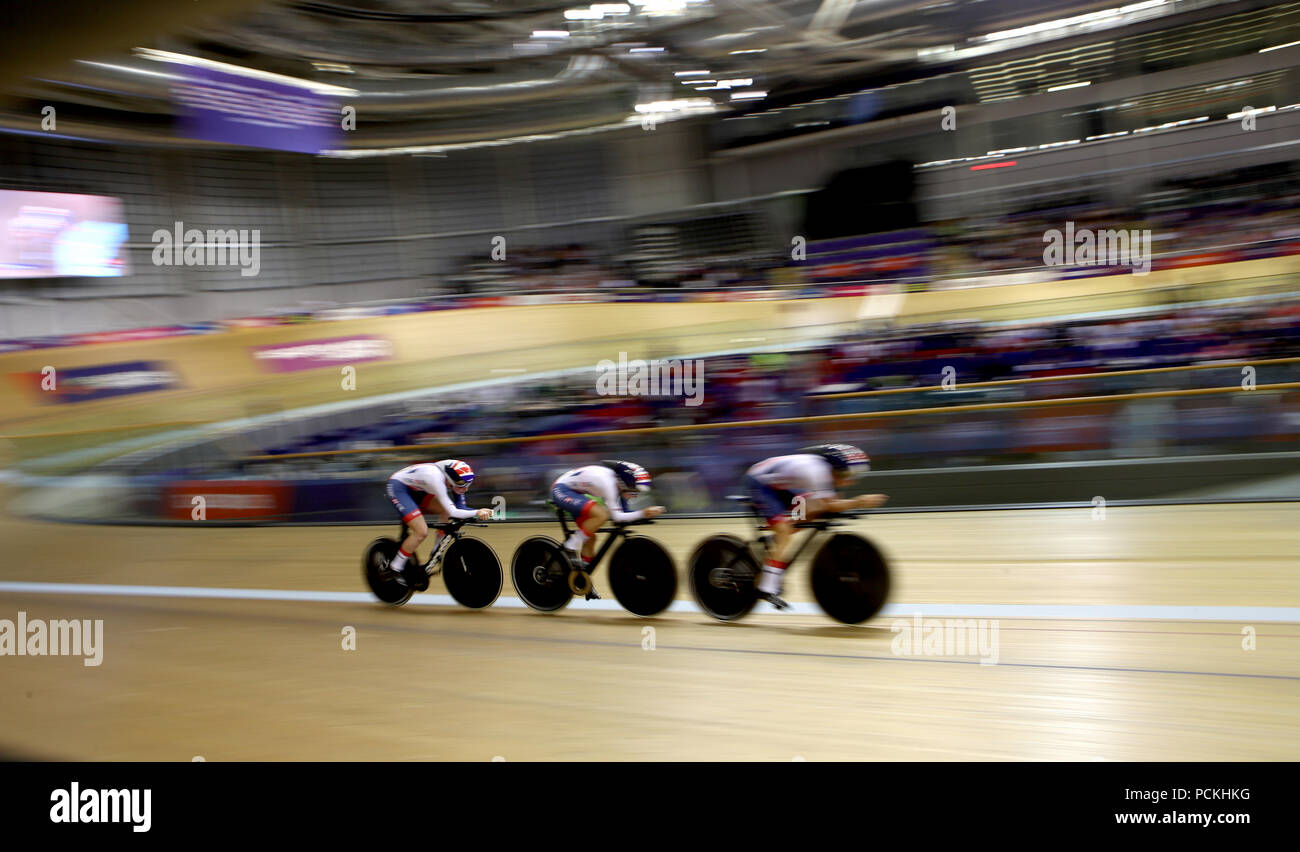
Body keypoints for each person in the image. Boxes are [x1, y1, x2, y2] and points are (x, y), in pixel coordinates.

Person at [743, 444, 888, 609]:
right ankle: (765, 587)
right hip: (760, 483)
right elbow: (830, 504)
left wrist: (842, 506)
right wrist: (859, 502)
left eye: (856, 474)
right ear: (834, 469)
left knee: (811, 513)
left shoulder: (828, 472)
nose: (851, 480)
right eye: (849, 474)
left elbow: (825, 505)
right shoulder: (816, 473)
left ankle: (776, 540)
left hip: (779, 483)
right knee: (785, 534)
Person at [550, 459, 665, 599]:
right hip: (561, 489)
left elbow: (625, 515)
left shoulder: (621, 484)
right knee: (602, 514)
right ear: (624, 483)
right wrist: (644, 513)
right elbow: (617, 517)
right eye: (634, 491)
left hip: (577, 492)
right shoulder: (609, 484)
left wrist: (644, 516)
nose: (635, 495)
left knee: (590, 537)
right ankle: (571, 545)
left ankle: (583, 579)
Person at [385, 459, 494, 587]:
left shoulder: (455, 476)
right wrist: (477, 512)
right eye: (461, 485)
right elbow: (454, 512)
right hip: (400, 488)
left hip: (421, 489)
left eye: (468, 485)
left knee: (445, 512)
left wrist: (478, 513)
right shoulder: (435, 479)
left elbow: (461, 508)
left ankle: (436, 551)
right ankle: (394, 568)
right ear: (451, 479)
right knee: (421, 532)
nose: (465, 489)